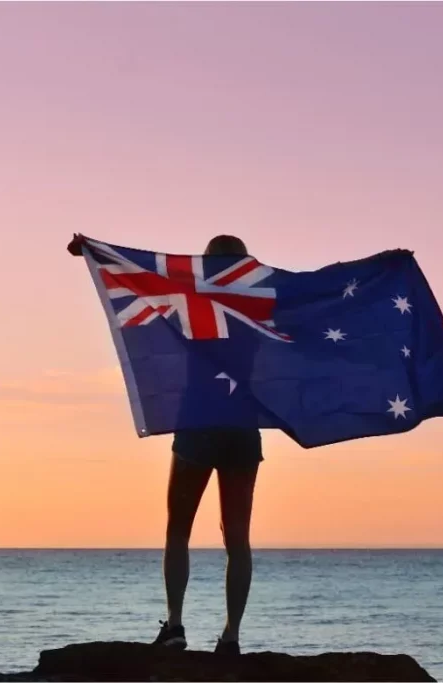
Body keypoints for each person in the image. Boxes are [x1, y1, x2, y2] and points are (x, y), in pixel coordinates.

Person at [67, 233, 261, 657]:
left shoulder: (190, 298)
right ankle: (231, 637)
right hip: (242, 427)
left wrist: (97, 254)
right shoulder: (262, 306)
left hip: (198, 422)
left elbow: (141, 281)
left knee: (179, 529)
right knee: (238, 539)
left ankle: (174, 626)